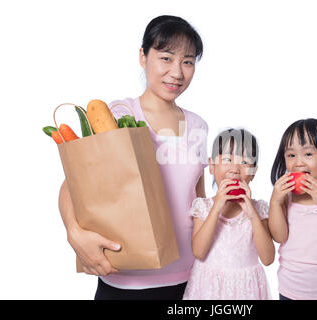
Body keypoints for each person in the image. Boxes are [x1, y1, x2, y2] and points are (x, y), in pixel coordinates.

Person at [58, 15, 208, 300]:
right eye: (166, 58)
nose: (177, 72)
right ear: (143, 56)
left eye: (188, 62)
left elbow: (198, 200)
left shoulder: (198, 125)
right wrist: (73, 232)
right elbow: (74, 184)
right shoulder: (118, 115)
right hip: (125, 280)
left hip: (189, 281)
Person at [182, 128, 275, 300]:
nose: (234, 168)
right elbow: (199, 252)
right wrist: (216, 207)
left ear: (254, 172)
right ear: (211, 166)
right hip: (208, 289)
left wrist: (252, 215)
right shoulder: (203, 206)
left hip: (247, 291)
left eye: (245, 161)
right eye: (226, 159)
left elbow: (268, 259)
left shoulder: (259, 209)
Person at [268, 118, 317, 300]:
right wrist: (274, 202)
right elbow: (279, 237)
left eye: (308, 154)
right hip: (290, 289)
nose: (298, 162)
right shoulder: (285, 197)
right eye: (291, 155)